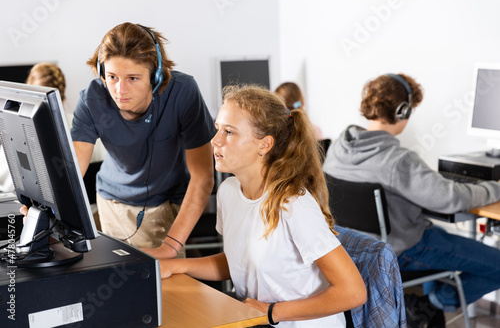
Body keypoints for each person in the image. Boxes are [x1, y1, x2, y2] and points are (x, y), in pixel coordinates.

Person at [159, 85, 366, 327]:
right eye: (217, 130)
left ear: (264, 145)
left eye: (229, 132)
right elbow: (238, 261)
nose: (215, 141)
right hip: (255, 321)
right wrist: (175, 265)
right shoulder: (228, 192)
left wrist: (271, 312)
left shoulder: (293, 204)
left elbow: (353, 291)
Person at [323, 73, 500, 327]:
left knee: (437, 235)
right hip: (400, 251)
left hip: (354, 248)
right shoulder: (398, 160)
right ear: (403, 111)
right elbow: (449, 198)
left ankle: (423, 306)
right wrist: (494, 189)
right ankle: (431, 305)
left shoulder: (339, 146)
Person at [70, 22, 215, 254]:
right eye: (112, 77)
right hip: (112, 203)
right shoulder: (92, 99)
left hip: (166, 205)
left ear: (156, 75)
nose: (120, 90)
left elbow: (203, 176)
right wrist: (48, 206)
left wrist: (170, 247)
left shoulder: (183, 93)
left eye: (133, 78)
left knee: (168, 287)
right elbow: (73, 166)